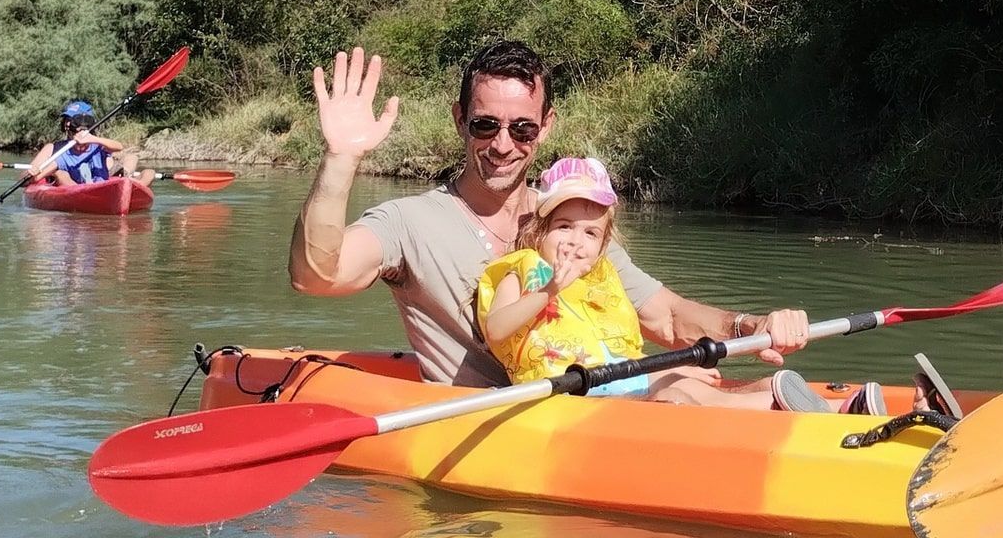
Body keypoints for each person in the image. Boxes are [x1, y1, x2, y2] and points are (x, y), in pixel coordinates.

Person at [287, 42, 816, 394]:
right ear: (459, 120)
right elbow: (316, 275)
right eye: (485, 124)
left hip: (595, 402)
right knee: (686, 392)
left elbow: (668, 319)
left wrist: (752, 326)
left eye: (521, 128)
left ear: (545, 126)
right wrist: (341, 158)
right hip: (498, 424)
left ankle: (798, 409)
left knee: (696, 377)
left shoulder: (573, 223)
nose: (501, 145)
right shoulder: (409, 222)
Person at [479, 156, 882, 412]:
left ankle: (831, 409)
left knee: (686, 379)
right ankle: (780, 406)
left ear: (603, 245)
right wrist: (548, 292)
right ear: (541, 231)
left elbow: (662, 323)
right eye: (564, 227)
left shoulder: (602, 277)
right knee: (677, 395)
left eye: (589, 234)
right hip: (563, 400)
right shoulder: (522, 270)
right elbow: (496, 329)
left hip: (613, 384)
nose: (574, 241)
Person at [27, 101, 156, 187]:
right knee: (60, 173)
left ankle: (127, 184)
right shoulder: (59, 153)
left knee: (147, 170)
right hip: (75, 187)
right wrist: (31, 175)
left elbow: (119, 146)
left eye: (72, 120)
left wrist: (91, 139)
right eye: (67, 121)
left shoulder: (98, 145)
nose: (67, 124)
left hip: (101, 183)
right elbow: (31, 178)